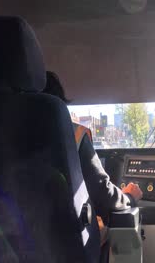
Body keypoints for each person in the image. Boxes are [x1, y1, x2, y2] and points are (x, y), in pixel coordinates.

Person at [43, 71, 143, 221]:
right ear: (59, 105)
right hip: (65, 236)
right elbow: (102, 196)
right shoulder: (73, 135)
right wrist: (129, 197)